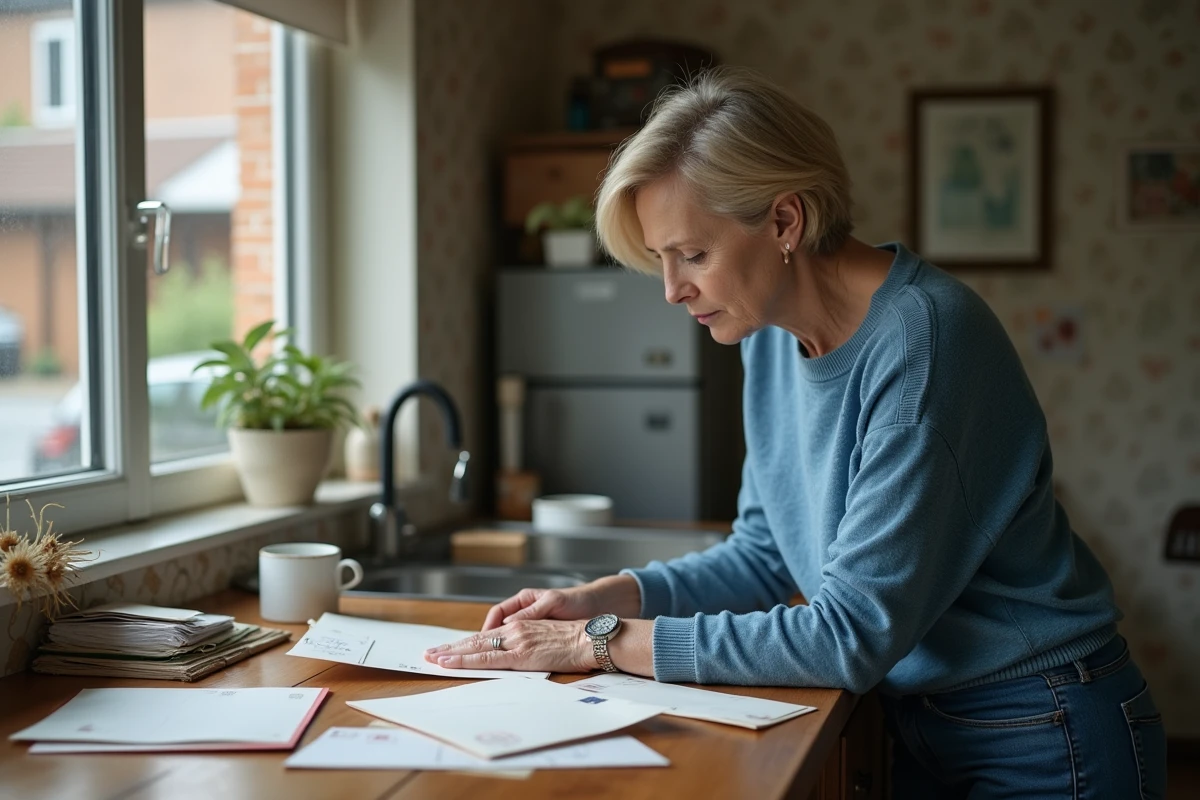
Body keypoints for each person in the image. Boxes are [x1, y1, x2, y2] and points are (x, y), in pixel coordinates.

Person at [424, 68, 1166, 797]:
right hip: (919, 720)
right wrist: (606, 598)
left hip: (1041, 729)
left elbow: (849, 634)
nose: (672, 290)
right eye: (661, 260)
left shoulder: (927, 343)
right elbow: (766, 554)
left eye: (694, 254)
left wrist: (602, 644)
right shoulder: (769, 335)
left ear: (785, 221)